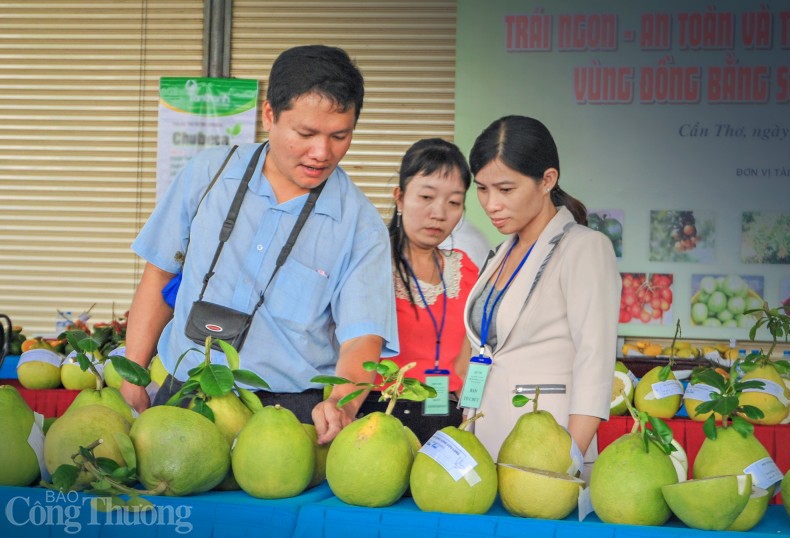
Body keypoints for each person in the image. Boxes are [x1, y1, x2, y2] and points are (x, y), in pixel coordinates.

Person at [120, 45, 399, 444]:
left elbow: (362, 336)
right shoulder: (207, 175)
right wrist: (134, 371)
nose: (322, 153)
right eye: (306, 134)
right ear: (269, 115)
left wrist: (343, 402)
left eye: (340, 135)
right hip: (183, 397)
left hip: (287, 417)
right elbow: (159, 275)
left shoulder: (361, 225)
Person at [456, 115, 621, 477]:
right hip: (481, 444)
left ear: (547, 180)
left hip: (546, 452)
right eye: (482, 189)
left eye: (505, 189)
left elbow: (595, 362)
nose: (491, 204)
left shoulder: (584, 248)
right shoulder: (499, 253)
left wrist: (567, 461)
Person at [357, 138, 478, 445]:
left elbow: (467, 357)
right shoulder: (370, 265)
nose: (439, 213)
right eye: (426, 196)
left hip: (447, 416)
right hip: (381, 414)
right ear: (399, 197)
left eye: (453, 202)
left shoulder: (465, 271)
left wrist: (471, 409)